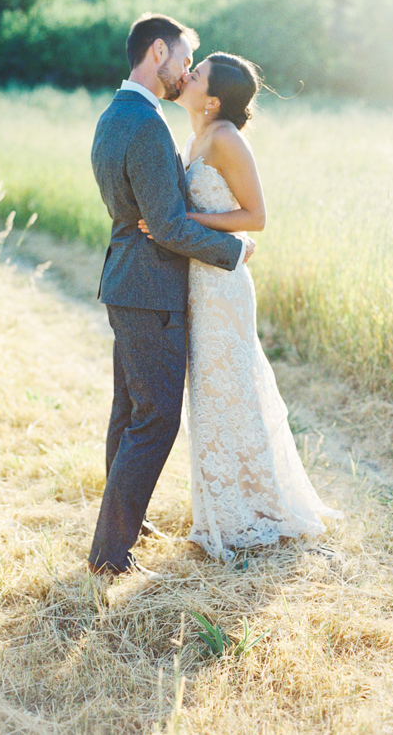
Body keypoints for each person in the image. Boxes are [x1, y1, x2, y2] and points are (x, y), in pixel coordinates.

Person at [139, 53, 342, 561]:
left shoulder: (226, 137)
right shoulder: (194, 136)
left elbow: (256, 217)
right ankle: (226, 507)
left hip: (224, 287)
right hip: (197, 282)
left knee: (232, 390)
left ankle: (254, 510)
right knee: (210, 393)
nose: (187, 73)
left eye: (198, 72)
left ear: (212, 99)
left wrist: (183, 216)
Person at [87, 16, 255, 577]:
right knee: (155, 418)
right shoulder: (149, 126)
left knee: (130, 411)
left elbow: (147, 215)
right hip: (151, 287)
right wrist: (237, 253)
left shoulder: (115, 115)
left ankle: (122, 531)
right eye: (184, 58)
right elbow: (170, 227)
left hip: (126, 281)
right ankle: (111, 554)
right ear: (158, 50)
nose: (186, 70)